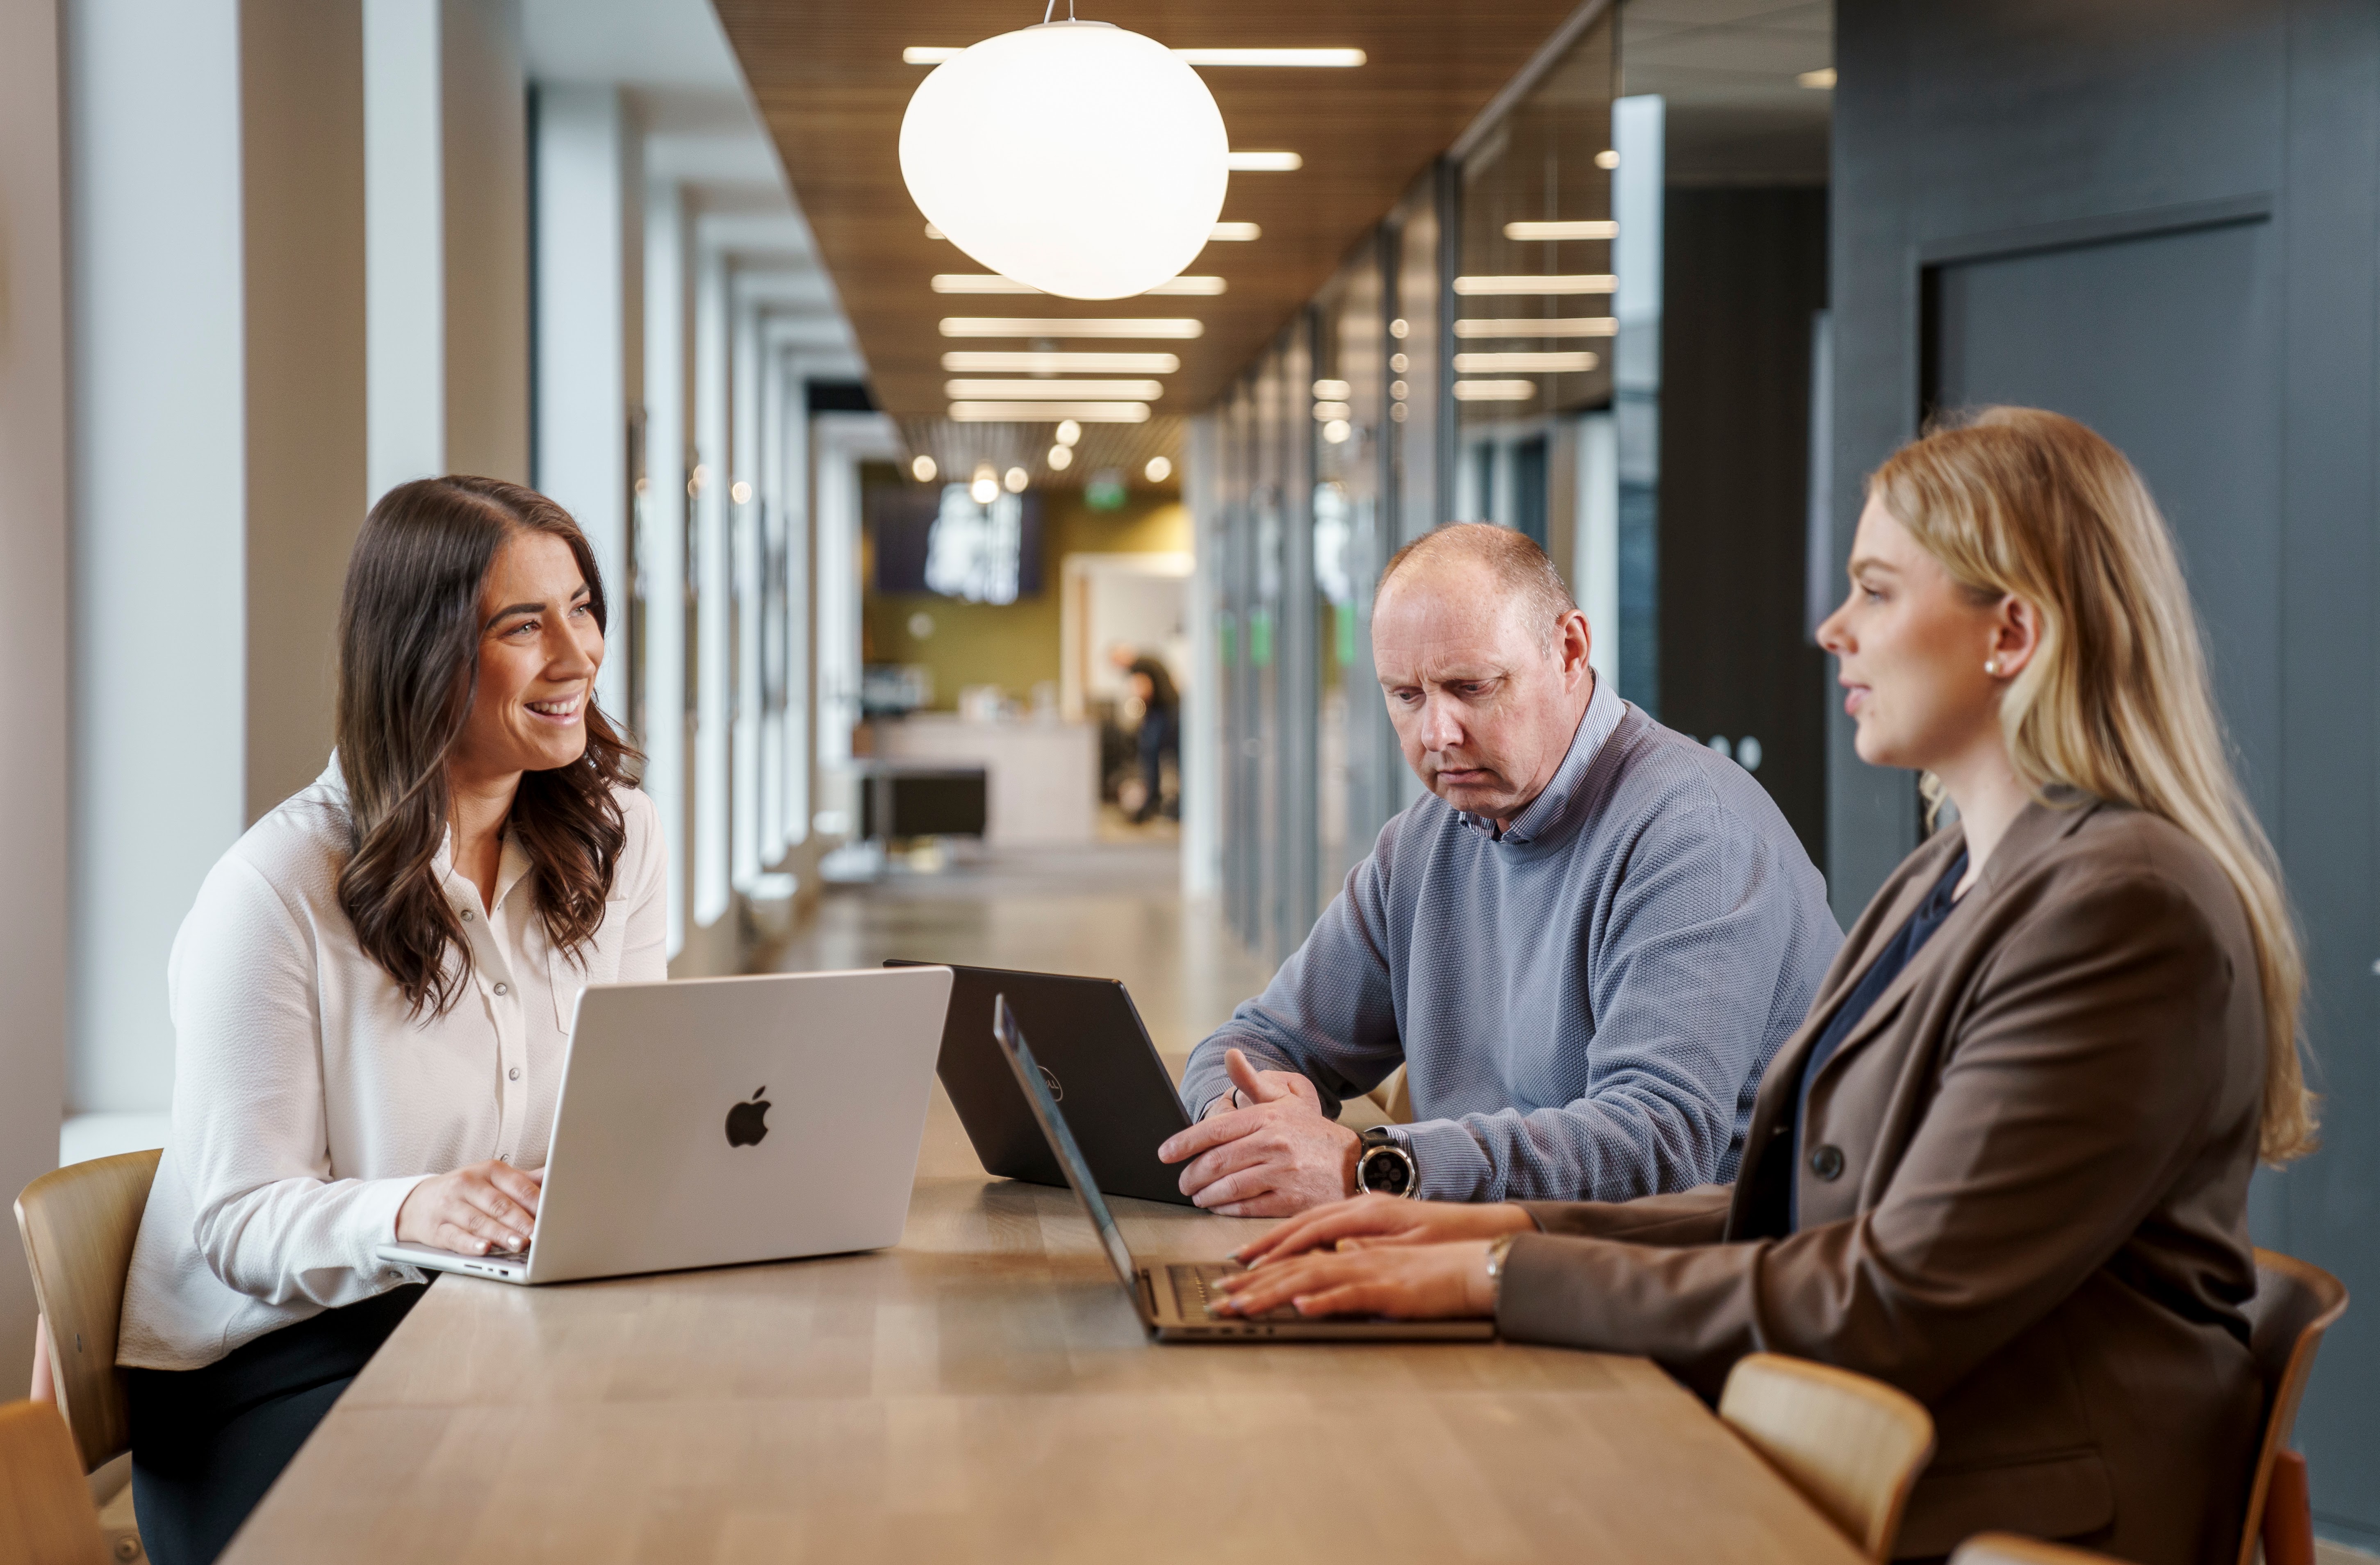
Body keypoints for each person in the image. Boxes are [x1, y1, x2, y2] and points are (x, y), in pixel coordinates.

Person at [1214, 409, 2314, 1565]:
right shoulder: (1953, 872)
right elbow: (1801, 1214)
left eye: (1877, 592)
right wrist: (1484, 1226)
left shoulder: (2119, 909)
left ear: (2012, 633)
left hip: (2002, 1503)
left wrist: (1494, 1271)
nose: (1833, 630)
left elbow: (1885, 1297)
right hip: (1898, 1437)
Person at [111, 477, 665, 1565]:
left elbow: (624, 1107)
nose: (577, 653)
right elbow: (237, 1222)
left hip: (495, 1324)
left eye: (583, 606)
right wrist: (410, 1212)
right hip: (277, 1368)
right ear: (423, 653)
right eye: (523, 624)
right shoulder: (273, 886)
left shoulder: (620, 841)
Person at [1162, 523, 1842, 1214]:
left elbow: (1657, 1143)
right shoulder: (1425, 841)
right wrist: (1243, 1109)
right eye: (1406, 696)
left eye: (1471, 687)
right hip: (1472, 1250)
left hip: (1672, 1285)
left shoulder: (1693, 833)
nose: (1438, 732)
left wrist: (1374, 1166)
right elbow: (1257, 1039)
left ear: (1569, 649)